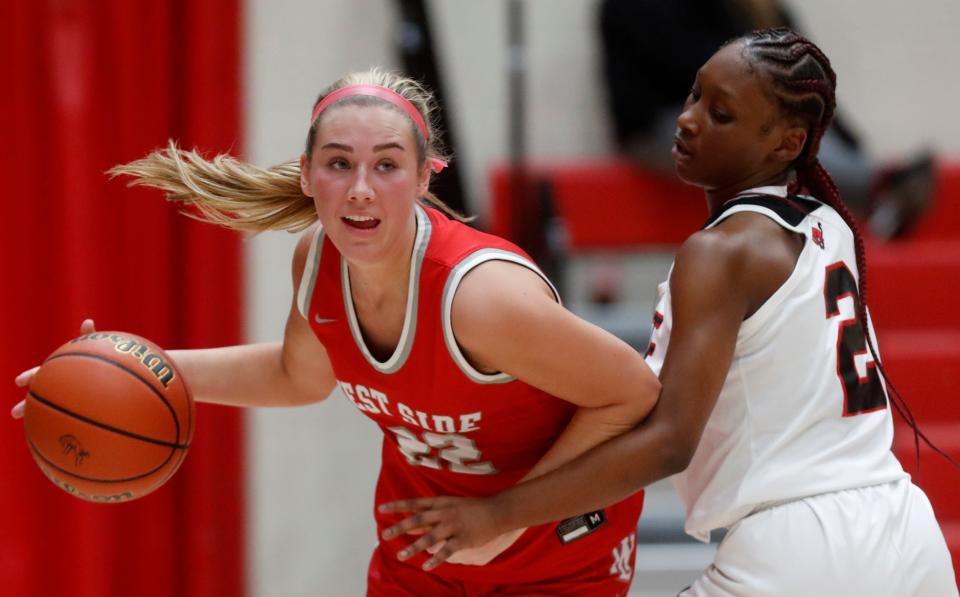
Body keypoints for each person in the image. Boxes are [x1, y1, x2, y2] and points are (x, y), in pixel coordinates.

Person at [12, 68, 661, 595]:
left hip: (553, 550)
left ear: (426, 174)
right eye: (338, 163)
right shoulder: (318, 260)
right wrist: (117, 367)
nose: (359, 190)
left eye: (386, 165)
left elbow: (631, 393)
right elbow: (299, 374)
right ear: (306, 173)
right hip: (425, 545)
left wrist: (508, 516)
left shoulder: (481, 298)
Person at [378, 29, 959, 596]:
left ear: (785, 143)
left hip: (799, 545)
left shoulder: (721, 253)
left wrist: (498, 514)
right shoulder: (827, 224)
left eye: (721, 115)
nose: (689, 119)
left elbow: (670, 441)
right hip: (905, 529)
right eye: (694, 95)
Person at [598, 0, 936, 239]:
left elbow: (808, 76)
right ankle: (879, 191)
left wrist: (840, 133)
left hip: (737, 109)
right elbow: (697, 71)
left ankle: (876, 188)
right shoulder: (645, 9)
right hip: (658, 119)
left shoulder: (759, 9)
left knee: (789, 126)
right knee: (767, 132)